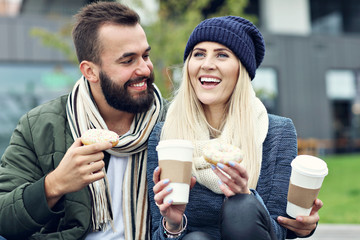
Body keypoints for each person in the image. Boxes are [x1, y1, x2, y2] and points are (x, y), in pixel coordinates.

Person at [0, 2, 165, 239]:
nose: (145, 69)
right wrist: (55, 184)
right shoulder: (40, 127)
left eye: (145, 56)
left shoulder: (171, 122)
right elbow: (4, 220)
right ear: (90, 71)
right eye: (128, 61)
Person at [147, 16, 322, 239]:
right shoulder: (164, 136)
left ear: (242, 70)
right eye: (199, 54)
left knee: (241, 207)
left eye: (222, 55)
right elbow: (157, 233)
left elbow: (283, 231)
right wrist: (172, 224)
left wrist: (247, 196)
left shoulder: (277, 132)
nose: (207, 64)